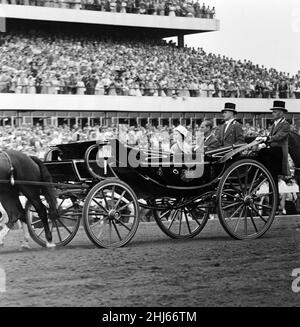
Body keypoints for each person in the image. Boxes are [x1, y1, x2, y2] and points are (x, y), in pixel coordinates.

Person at [256, 100, 290, 177]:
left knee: (262, 152)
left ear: (281, 113)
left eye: (274, 112)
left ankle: (261, 171)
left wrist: (266, 138)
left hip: (279, 152)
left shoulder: (286, 124)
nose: (272, 113)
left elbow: (278, 136)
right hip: (273, 152)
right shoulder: (274, 124)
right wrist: (263, 142)